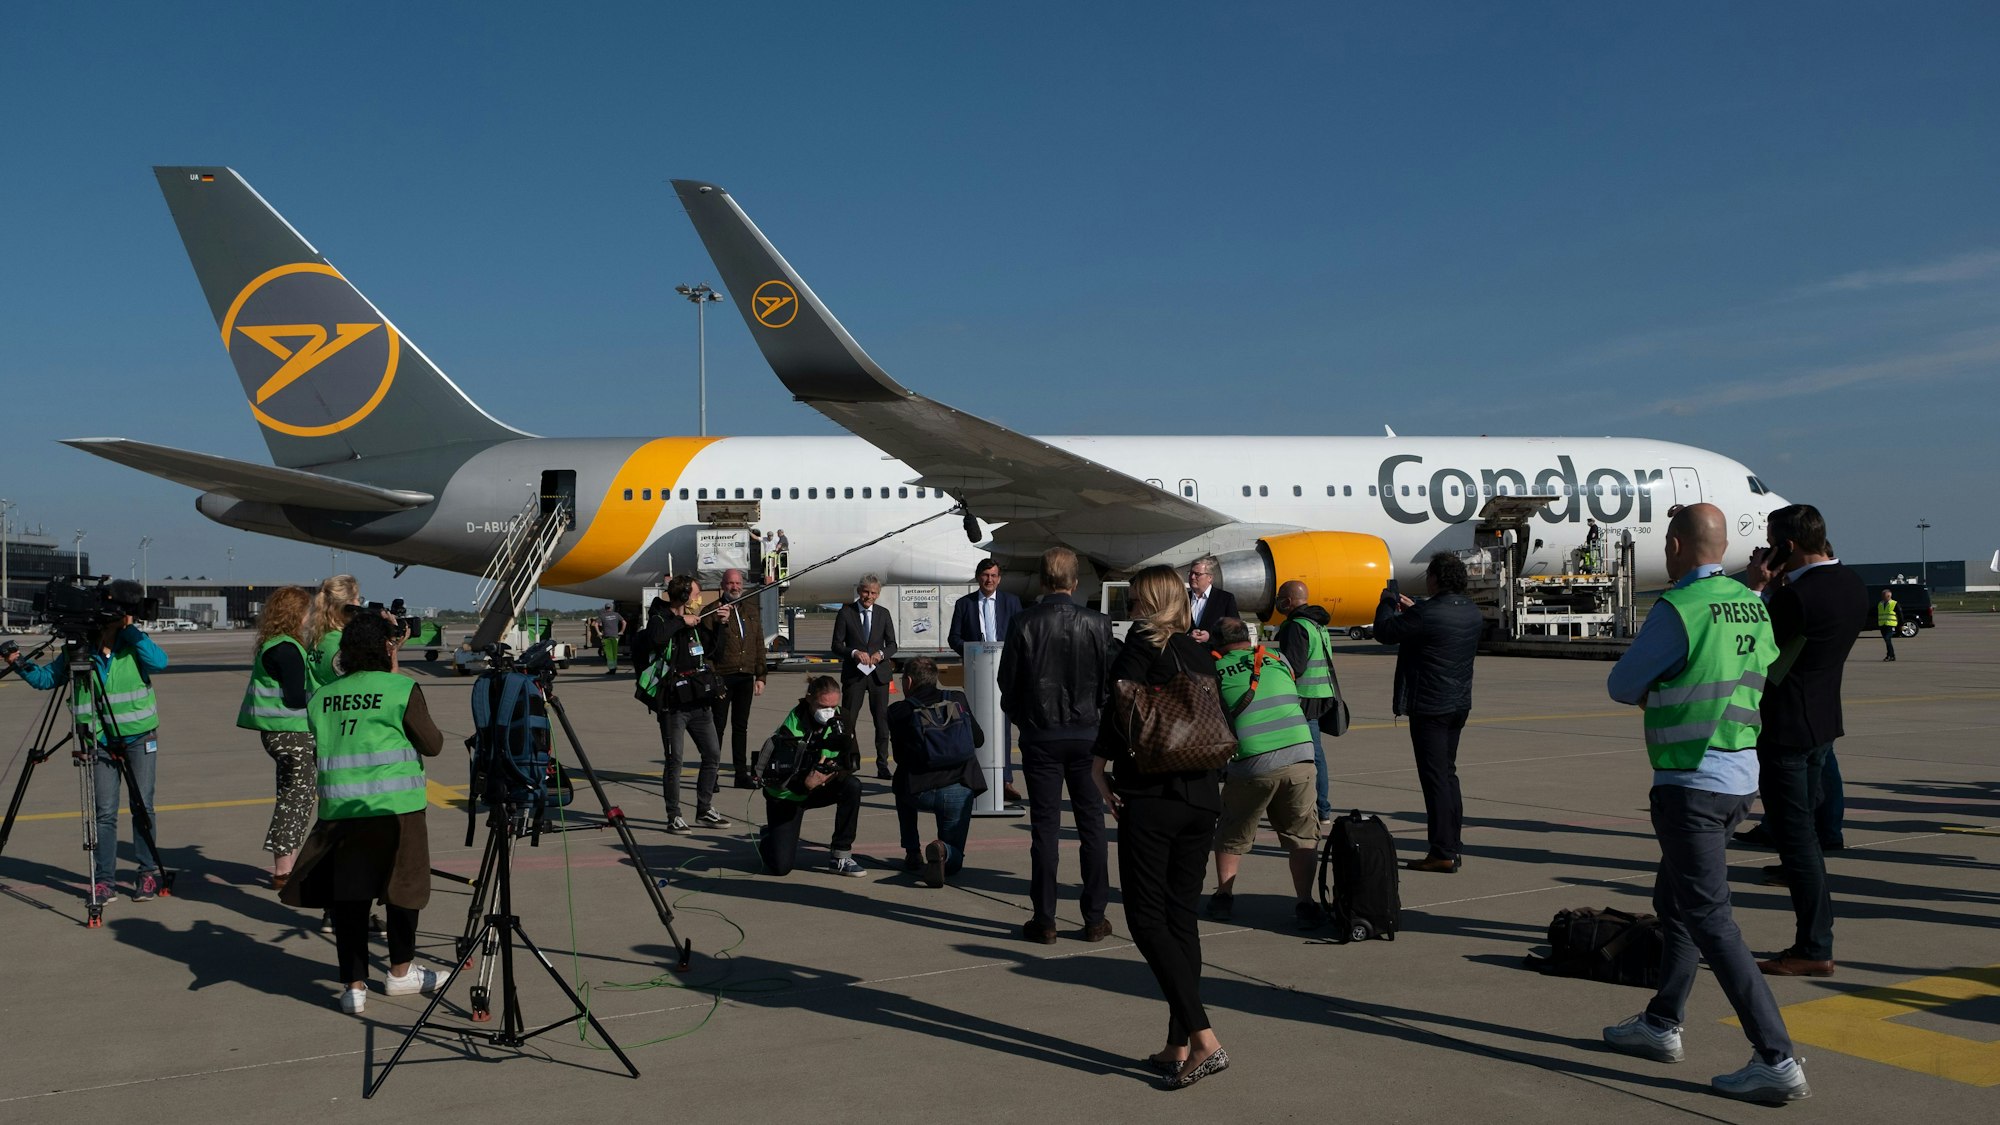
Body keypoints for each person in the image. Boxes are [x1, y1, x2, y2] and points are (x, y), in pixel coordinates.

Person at [1602, 503, 1810, 1103]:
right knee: (1675, 899)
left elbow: (1621, 684)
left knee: (1711, 920)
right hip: (1739, 778)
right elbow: (1761, 668)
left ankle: (1776, 1057)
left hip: (1691, 780)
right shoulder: (1751, 603)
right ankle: (1662, 1022)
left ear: (1674, 546)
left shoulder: (1680, 608)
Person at [1093, 565, 1228, 1089]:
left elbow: (1121, 709)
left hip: (1154, 795)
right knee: (1180, 919)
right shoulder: (1198, 649)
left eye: (1132, 599)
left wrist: (1097, 767)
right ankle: (1178, 1043)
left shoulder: (1139, 647)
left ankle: (1204, 1038)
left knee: (1147, 920)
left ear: (1144, 603)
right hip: (1202, 797)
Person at [280, 613, 445, 1015]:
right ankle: (401, 971)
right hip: (396, 811)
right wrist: (394, 667)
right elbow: (432, 743)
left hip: (341, 812)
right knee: (402, 891)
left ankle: (353, 986)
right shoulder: (400, 688)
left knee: (349, 900)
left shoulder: (322, 697)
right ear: (386, 648)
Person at [1740, 503, 1866, 977]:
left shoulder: (1796, 598)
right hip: (1823, 721)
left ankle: (1814, 946)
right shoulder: (1851, 584)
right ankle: (1815, 940)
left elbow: (1756, 644)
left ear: (1786, 546)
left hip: (1787, 728)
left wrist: (1761, 588)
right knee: (1805, 837)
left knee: (1797, 843)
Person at [10, 580, 169, 903]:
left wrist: (131, 630)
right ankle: (104, 880)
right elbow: (46, 680)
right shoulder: (78, 646)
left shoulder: (133, 643)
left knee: (143, 807)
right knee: (104, 812)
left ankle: (147, 873)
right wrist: (18, 663)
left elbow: (160, 662)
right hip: (97, 738)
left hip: (138, 736)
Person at [998, 547, 1114, 943]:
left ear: (1045, 581)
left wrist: (1024, 718)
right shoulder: (1097, 623)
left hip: (1041, 735)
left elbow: (1007, 682)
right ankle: (1095, 917)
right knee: (1091, 826)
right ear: (1074, 582)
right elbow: (1106, 682)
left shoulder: (1023, 622)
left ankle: (1044, 919)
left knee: (1045, 829)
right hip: (1086, 733)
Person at [1204, 618, 1324, 928]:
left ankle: (1224, 897)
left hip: (1253, 762)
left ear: (1216, 643)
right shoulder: (1276, 658)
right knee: (1302, 835)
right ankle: (1305, 903)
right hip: (1301, 754)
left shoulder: (1213, 670)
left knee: (1232, 831)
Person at [1373, 553, 1483, 872]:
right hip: (1458, 703)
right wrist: (1415, 611)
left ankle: (1442, 851)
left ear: (1435, 579)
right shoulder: (1469, 611)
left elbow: (1384, 632)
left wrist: (1387, 601)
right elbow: (1434, 629)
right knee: (1447, 775)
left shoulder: (1427, 613)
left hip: (1430, 705)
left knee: (1434, 779)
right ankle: (1452, 843)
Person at [237, 585, 317, 892]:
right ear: (297, 613)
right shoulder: (287, 648)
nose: (310, 617)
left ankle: (286, 865)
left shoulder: (272, 643)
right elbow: (297, 697)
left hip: (276, 733)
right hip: (292, 734)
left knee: (290, 797)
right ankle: (284, 871)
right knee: (295, 801)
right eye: (307, 611)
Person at [753, 676, 866, 877]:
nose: (830, 712)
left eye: (833, 706)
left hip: (821, 785)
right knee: (780, 868)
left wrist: (833, 772)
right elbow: (778, 780)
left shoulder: (843, 717)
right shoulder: (791, 728)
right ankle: (770, 837)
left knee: (852, 786)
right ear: (809, 700)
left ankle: (840, 855)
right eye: (823, 706)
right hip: (788, 795)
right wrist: (805, 784)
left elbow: (852, 760)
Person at [888, 656, 987, 887]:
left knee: (899, 781)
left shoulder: (898, 710)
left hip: (919, 792)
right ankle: (942, 850)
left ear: (909, 681)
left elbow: (901, 757)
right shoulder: (957, 698)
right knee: (952, 863)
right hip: (960, 788)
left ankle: (912, 850)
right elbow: (979, 739)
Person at [645, 575, 730, 833]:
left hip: (699, 702)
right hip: (673, 705)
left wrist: (722, 625)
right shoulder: (660, 618)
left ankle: (704, 808)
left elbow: (713, 652)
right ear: (683, 596)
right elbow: (657, 638)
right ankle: (674, 815)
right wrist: (682, 621)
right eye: (695, 594)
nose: (698, 599)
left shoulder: (695, 623)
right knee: (675, 761)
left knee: (713, 754)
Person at [949, 558, 1024, 799]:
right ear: (978, 576)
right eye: (985, 575)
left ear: (999, 578)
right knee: (974, 726)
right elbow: (954, 637)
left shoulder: (1011, 602)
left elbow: (1020, 635)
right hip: (976, 671)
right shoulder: (965, 604)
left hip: (1004, 673)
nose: (989, 580)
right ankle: (974, 778)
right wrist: (971, 650)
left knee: (1002, 727)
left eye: (993, 576)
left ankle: (1005, 780)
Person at [1271, 580, 1338, 828]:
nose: (1277, 601)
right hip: (1321, 695)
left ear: (1288, 600)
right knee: (1313, 754)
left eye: (1280, 597)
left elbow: (1294, 667)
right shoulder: (1317, 625)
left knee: (1310, 756)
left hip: (1303, 698)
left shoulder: (1296, 626)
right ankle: (1321, 808)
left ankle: (1320, 808)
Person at [707, 569, 769, 788]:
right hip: (722, 677)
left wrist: (761, 675)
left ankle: (740, 774)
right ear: (722, 585)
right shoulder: (712, 611)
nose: (735, 587)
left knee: (741, 727)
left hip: (745, 676)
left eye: (738, 583)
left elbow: (758, 644)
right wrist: (713, 678)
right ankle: (710, 775)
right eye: (730, 583)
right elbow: (707, 650)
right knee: (718, 727)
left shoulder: (750, 610)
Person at [832, 574, 897, 779]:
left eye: (873, 593)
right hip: (855, 675)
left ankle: (882, 765)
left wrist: (881, 654)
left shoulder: (883, 614)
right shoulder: (846, 613)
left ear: (878, 594)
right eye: (866, 592)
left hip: (878, 676)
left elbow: (893, 645)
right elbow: (836, 645)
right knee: (849, 720)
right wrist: (853, 653)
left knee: (881, 722)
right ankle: (850, 762)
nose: (869, 596)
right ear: (859, 591)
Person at [305, 574, 359, 686]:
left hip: (315, 701)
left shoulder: (316, 639)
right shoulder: (344, 644)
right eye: (357, 599)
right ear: (347, 607)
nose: (359, 604)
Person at [1186, 555, 1237, 645]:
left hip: (1214, 655)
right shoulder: (1182, 599)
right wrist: (1188, 636)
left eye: (1197, 574)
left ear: (1210, 578)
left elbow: (1235, 631)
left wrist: (1210, 638)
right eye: (1191, 573)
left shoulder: (1225, 599)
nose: (1192, 577)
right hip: (1188, 655)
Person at [598, 602, 625, 673]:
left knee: (609, 654)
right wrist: (622, 631)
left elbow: (595, 624)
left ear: (605, 608)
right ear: (611, 608)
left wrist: (599, 632)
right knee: (614, 653)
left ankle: (612, 669)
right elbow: (624, 622)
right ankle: (614, 667)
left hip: (606, 637)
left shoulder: (602, 616)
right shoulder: (616, 615)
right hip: (615, 637)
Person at [1875, 588, 1898, 662]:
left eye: (1884, 595)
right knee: (1887, 640)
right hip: (1882, 624)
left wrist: (1900, 625)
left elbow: (1900, 614)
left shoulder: (1894, 603)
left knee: (1888, 639)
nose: (1882, 597)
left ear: (1888, 596)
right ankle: (1892, 655)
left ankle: (1889, 655)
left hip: (1890, 625)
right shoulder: (1880, 604)